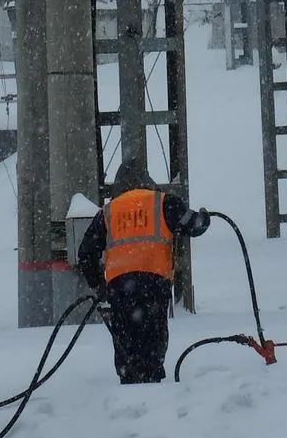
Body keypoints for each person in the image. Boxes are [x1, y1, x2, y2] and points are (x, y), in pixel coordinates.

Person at [76, 156, 211, 384]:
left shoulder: (108, 212)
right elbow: (194, 225)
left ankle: (129, 378)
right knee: (153, 335)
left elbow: (86, 253)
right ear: (147, 181)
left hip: (120, 287)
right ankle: (152, 379)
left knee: (126, 337)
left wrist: (98, 284)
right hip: (154, 283)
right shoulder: (164, 203)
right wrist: (204, 217)